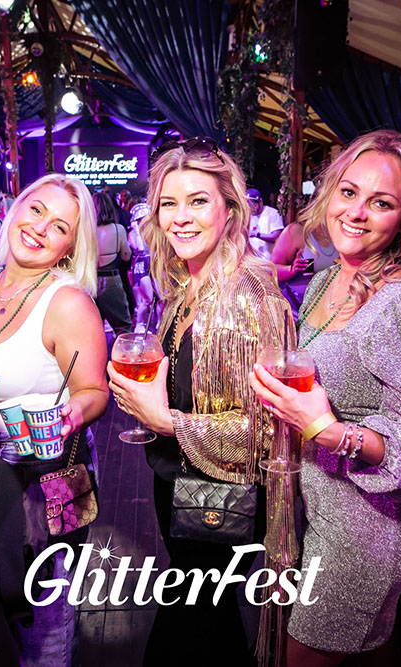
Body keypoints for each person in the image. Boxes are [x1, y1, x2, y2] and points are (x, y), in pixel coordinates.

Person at [248, 130, 401, 665]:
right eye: (349, 192)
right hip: (316, 512)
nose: (357, 212)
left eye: (382, 202)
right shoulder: (327, 282)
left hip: (366, 534)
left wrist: (327, 430)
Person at [108, 138, 296, 666]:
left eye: (198, 201)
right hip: (181, 486)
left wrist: (166, 420)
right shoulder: (189, 284)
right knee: (211, 634)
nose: (181, 218)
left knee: (182, 639)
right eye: (169, 203)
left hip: (222, 501)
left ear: (230, 210)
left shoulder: (247, 295)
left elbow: (268, 433)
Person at [0, 173, 108, 666]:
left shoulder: (68, 302)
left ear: (69, 248)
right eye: (36, 210)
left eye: (59, 226)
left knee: (44, 624)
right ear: (14, 209)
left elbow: (94, 391)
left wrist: (70, 414)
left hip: (47, 479)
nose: (40, 228)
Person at [269, 218, 338, 318]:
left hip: (328, 309)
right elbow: (271, 271)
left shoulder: (343, 233)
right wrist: (290, 270)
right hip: (296, 310)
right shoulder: (296, 231)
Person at [93, 190, 133, 334]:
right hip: (111, 280)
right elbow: (126, 256)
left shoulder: (86, 230)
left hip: (90, 281)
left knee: (93, 328)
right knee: (123, 326)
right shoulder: (118, 229)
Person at [128, 202, 160, 332]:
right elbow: (140, 248)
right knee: (147, 299)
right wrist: (136, 230)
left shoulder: (151, 233)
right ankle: (139, 324)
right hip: (140, 266)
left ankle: (160, 322)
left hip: (153, 265)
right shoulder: (132, 234)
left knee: (161, 298)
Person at [246, 187, 284, 261]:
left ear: (260, 201)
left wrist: (257, 234)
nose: (251, 208)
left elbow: (276, 237)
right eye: (248, 205)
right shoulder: (250, 216)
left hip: (268, 260)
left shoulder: (273, 213)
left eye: (253, 205)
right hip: (254, 261)